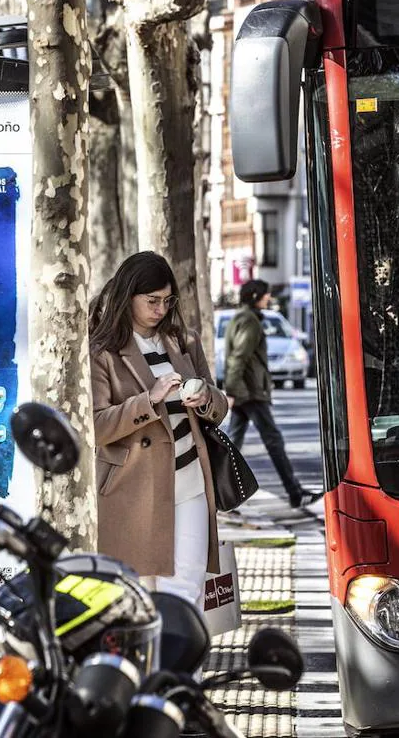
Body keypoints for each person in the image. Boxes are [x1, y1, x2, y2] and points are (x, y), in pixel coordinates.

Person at [89, 251, 228, 606]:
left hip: (191, 482)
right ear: (127, 296)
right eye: (152, 301)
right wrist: (148, 401)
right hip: (134, 491)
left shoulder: (184, 341)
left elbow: (220, 406)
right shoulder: (102, 351)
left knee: (186, 590)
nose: (161, 309)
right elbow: (95, 427)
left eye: (168, 301)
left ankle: (183, 664)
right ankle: (152, 663)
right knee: (139, 598)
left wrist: (204, 398)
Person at [223, 279, 321, 509]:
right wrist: (232, 390)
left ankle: (222, 495)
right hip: (251, 393)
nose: (269, 298)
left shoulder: (242, 317)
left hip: (245, 391)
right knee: (273, 441)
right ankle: (295, 492)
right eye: (266, 294)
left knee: (232, 445)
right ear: (256, 296)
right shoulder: (249, 321)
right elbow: (239, 357)